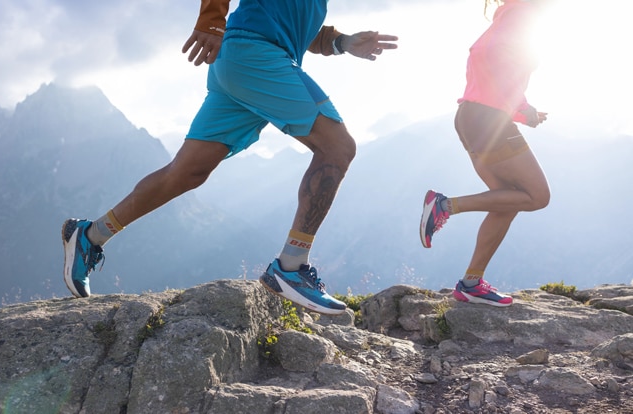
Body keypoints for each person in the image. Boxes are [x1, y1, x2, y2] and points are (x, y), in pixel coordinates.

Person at [62, 0, 398, 315]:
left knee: (187, 172)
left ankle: (90, 235)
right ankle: (291, 267)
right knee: (337, 148)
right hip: (257, 55)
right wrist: (211, 21)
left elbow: (299, 27)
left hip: (241, 61)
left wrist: (343, 42)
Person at [420, 0, 550, 307]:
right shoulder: (523, 13)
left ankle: (471, 283)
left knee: (507, 197)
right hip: (487, 120)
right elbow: (491, 57)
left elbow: (491, 64)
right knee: (537, 196)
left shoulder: (509, 16)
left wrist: (523, 110)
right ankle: (445, 205)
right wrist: (520, 106)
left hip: (474, 116)